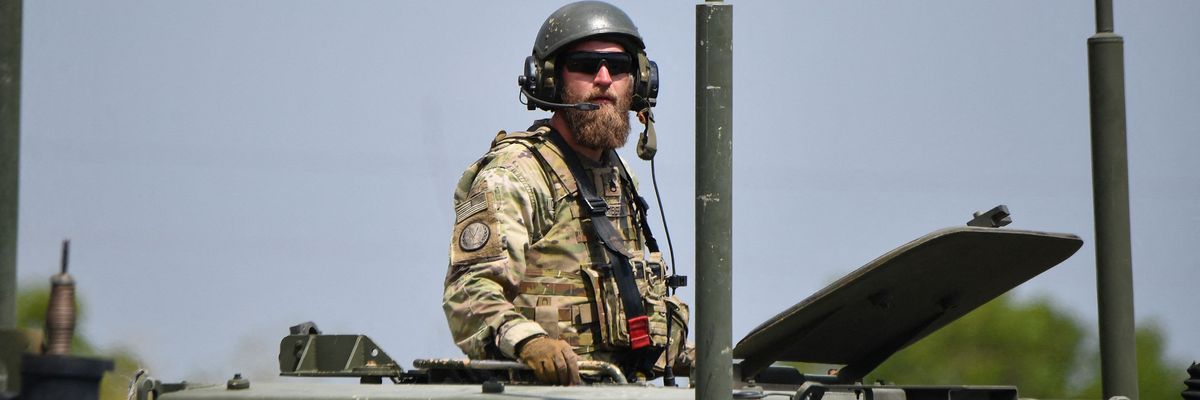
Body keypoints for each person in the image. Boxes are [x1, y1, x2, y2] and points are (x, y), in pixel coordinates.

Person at [442, 1, 691, 386]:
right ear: (550, 79)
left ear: (640, 82)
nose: (605, 79)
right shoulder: (517, 175)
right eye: (587, 65)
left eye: (620, 67)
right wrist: (530, 343)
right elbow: (468, 293)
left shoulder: (618, 179)